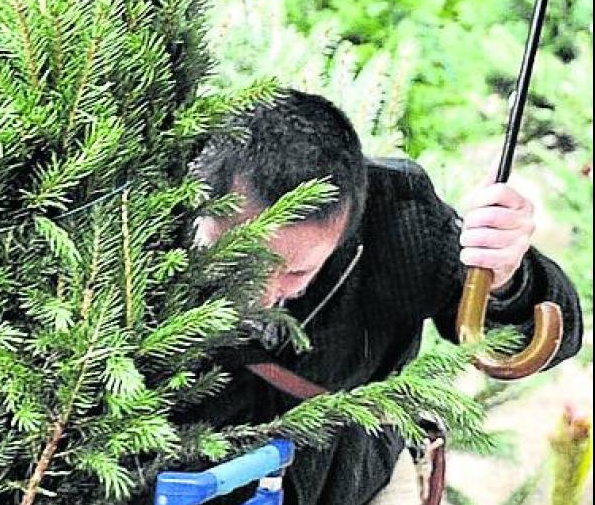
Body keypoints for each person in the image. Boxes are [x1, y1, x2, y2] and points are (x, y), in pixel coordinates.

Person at [190, 89, 584, 505]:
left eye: (296, 271)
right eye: (242, 262)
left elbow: (553, 336)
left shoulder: (402, 219)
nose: (265, 294)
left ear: (347, 226)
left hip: (359, 483)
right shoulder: (148, 214)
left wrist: (506, 278)